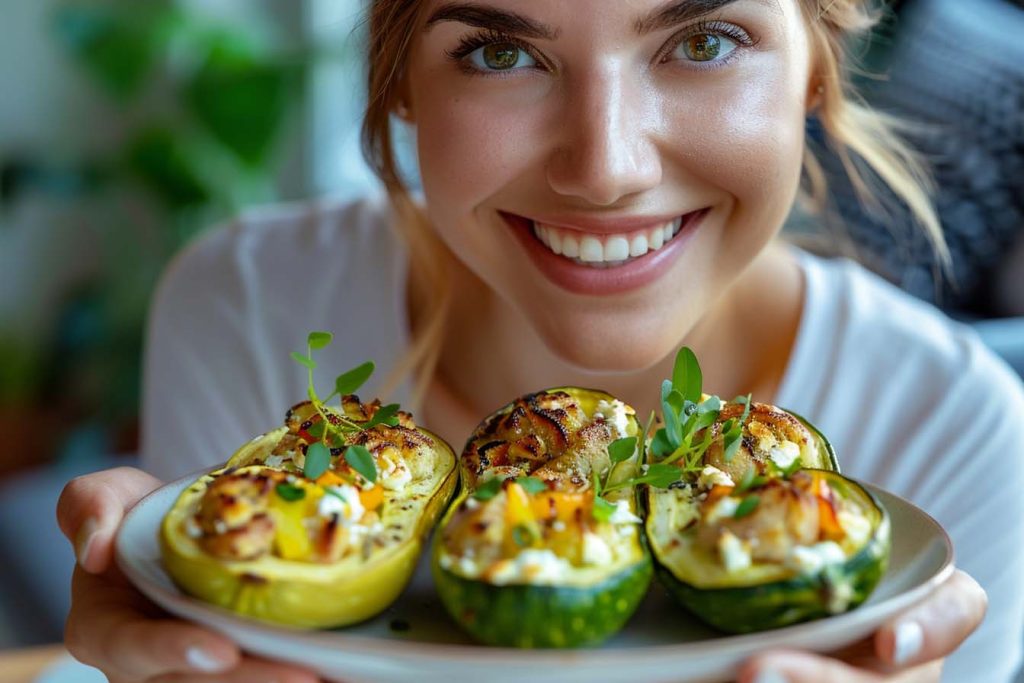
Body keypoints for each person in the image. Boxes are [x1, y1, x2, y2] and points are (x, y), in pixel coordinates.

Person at [55, 0, 1020, 681]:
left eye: (706, 39)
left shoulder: (962, 435)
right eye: (498, 51)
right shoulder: (248, 306)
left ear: (817, 64)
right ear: (400, 88)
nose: (604, 168)